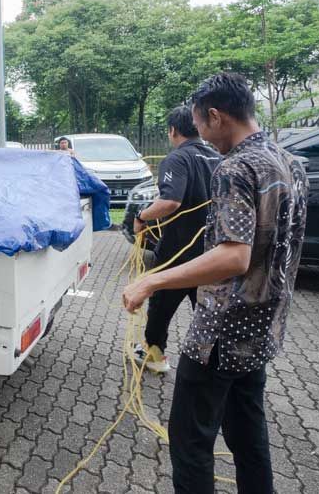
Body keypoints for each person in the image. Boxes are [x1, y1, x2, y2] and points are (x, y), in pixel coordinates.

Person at [122, 73, 307, 494]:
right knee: (248, 435)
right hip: (263, 328)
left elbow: (233, 256)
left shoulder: (236, 167)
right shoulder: (289, 162)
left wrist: (152, 280)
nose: (201, 134)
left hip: (220, 335)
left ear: (216, 116)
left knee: (190, 441)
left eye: (201, 124)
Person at [131, 106, 221, 373]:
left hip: (177, 252)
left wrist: (141, 216)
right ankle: (212, 361)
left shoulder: (178, 158)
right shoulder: (216, 157)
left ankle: (154, 356)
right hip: (211, 252)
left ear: (173, 130)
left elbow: (170, 201)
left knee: (160, 306)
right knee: (205, 309)